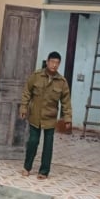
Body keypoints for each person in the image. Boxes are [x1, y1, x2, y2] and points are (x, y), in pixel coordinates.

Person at [20, 51, 72, 180]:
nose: (54, 65)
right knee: (33, 141)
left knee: (48, 145)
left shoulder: (62, 81)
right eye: (52, 62)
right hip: (35, 115)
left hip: (50, 117)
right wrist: (23, 107)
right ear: (47, 62)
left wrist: (67, 118)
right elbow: (27, 91)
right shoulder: (36, 76)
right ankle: (27, 167)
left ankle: (44, 171)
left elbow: (66, 101)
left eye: (57, 63)